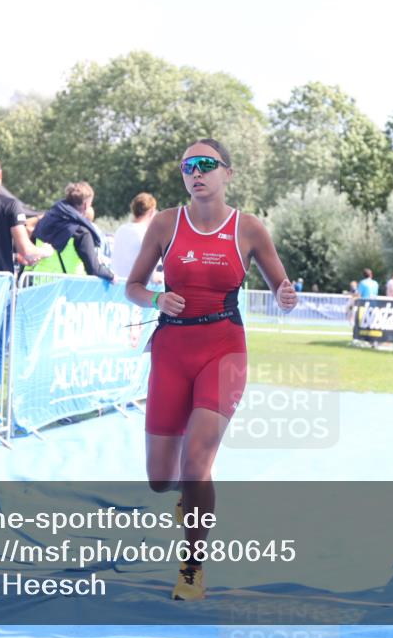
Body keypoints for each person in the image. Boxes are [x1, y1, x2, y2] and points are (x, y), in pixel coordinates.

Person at [125, 138, 297, 601]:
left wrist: (285, 294)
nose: (195, 173)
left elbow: (280, 282)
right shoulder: (165, 224)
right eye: (187, 167)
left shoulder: (249, 228)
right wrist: (157, 298)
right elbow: (132, 286)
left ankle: (191, 569)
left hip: (223, 350)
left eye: (205, 165)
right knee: (161, 479)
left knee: (197, 464)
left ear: (227, 173)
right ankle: (187, 497)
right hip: (171, 352)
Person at [31, 181, 116, 282]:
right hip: (69, 289)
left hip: (39, 286)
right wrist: (111, 276)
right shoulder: (81, 232)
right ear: (86, 205)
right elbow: (93, 269)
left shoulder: (44, 222)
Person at [112, 192, 158, 278]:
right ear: (151, 212)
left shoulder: (120, 229)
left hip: (116, 287)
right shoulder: (147, 234)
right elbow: (152, 276)